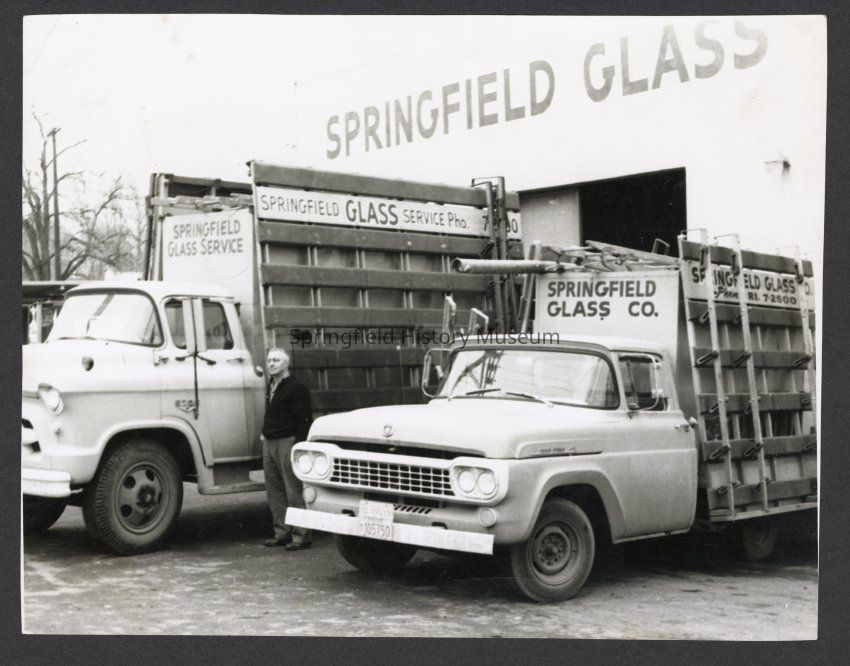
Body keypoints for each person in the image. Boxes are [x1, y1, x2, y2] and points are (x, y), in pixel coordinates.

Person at [261, 347, 313, 550]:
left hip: (288, 442)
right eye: (269, 361)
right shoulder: (271, 385)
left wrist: (299, 446)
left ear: (286, 363)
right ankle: (282, 533)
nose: (271, 364)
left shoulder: (296, 387)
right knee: (274, 490)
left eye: (275, 360)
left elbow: (305, 419)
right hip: (270, 442)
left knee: (293, 489)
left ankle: (301, 536)